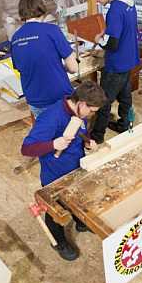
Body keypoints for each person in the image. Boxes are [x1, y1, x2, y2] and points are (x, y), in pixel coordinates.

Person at [21, 80, 106, 261]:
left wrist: (87, 141)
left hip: (75, 169)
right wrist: (53, 144)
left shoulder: (78, 113)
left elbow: (81, 129)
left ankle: (79, 222)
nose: (91, 115)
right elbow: (27, 148)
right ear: (82, 103)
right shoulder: (51, 117)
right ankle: (58, 241)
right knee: (55, 212)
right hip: (55, 176)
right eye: (91, 111)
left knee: (77, 199)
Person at [86, 0, 140, 143]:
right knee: (125, 96)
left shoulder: (114, 10)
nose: (96, 0)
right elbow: (122, 29)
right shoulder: (128, 1)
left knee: (103, 100)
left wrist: (99, 40)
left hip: (116, 63)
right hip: (129, 58)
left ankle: (97, 136)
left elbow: (112, 45)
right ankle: (125, 124)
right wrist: (107, 33)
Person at [10, 0, 78, 118]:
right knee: (68, 133)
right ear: (42, 10)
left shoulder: (15, 38)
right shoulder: (52, 30)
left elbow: (22, 67)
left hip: (34, 100)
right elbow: (73, 68)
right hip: (59, 96)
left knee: (47, 134)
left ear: (22, 14)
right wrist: (64, 67)